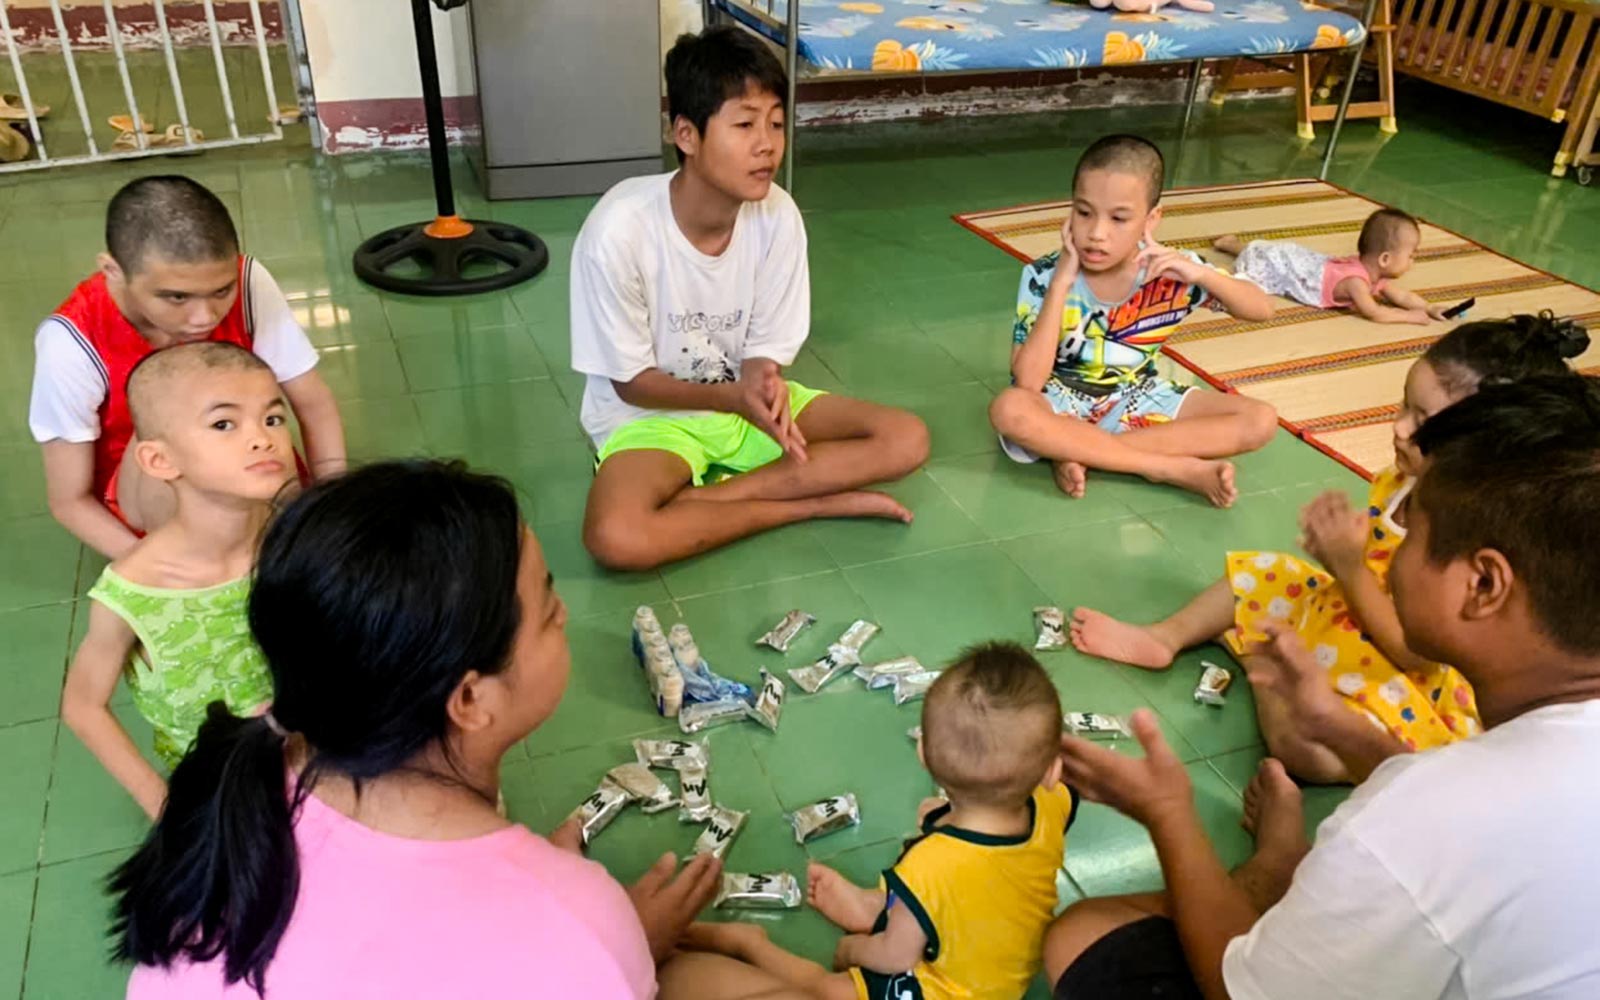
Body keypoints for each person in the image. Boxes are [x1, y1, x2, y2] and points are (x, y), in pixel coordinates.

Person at [109, 460, 771, 998]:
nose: (566, 611)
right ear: (470, 698)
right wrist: (622, 948)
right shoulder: (584, 927)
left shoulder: (254, 752)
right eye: (545, 606)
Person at [1043, 372, 1600, 1000]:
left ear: (1482, 586)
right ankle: (1277, 867)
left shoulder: (1416, 824)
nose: (1395, 545)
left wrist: (1168, 812)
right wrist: (1343, 730)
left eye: (1415, 532)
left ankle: (1268, 872)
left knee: (1081, 935)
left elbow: (1241, 991)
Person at [1069, 313, 1589, 783]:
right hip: (1346, 608)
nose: (1399, 426)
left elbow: (1417, 654)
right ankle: (1166, 637)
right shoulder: (1405, 479)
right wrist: (1342, 560)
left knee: (1309, 750)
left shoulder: (1473, 533)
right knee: (1263, 572)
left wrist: (1346, 564)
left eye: (1423, 420)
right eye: (1404, 405)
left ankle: (1264, 673)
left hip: (1403, 667)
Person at [571, 26, 929, 571]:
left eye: (777, 123)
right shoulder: (618, 229)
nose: (767, 144)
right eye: (744, 124)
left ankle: (706, 504)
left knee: (906, 437)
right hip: (650, 417)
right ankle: (805, 506)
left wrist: (760, 384)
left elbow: (764, 351)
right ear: (686, 135)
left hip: (743, 407)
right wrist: (735, 399)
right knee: (615, 538)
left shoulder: (777, 214)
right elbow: (629, 382)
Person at [680, 642, 1078, 1000]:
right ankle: (879, 908)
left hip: (945, 987)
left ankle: (752, 944)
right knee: (925, 894)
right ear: (1052, 770)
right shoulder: (1053, 801)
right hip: (997, 968)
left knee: (828, 989)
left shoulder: (930, 865)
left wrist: (853, 950)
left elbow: (893, 956)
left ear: (923, 755)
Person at [28, 175, 345, 560]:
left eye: (221, 291)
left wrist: (334, 517)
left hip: (251, 474)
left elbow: (313, 405)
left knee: (257, 414)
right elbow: (69, 501)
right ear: (113, 270)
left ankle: (272, 539)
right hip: (153, 495)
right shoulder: (70, 340)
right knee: (168, 409)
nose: (203, 317)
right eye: (176, 297)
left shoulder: (247, 280)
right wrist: (153, 569)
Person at [61, 343, 293, 819]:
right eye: (224, 424)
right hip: (218, 792)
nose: (262, 438)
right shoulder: (133, 593)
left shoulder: (299, 545)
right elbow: (84, 706)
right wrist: (163, 804)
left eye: (272, 419)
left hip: (320, 765)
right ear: (160, 460)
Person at [987, 135, 1277, 508]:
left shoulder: (1171, 269)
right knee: (1009, 409)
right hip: (1057, 404)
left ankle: (1076, 452)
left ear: (1151, 219)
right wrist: (1061, 282)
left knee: (1260, 420)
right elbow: (1028, 381)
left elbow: (1262, 308)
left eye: (1119, 218)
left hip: (1137, 399)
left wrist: (1202, 275)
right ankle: (1163, 468)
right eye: (1084, 212)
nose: (1096, 233)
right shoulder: (1044, 274)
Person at [1215, 207, 1446, 325]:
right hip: (1285, 267)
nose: (1413, 261)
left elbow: (1403, 297)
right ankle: (1233, 251)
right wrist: (1409, 318)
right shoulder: (1356, 282)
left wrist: (1429, 308)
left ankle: (1234, 245)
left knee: (1267, 253)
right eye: (1410, 255)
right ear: (1385, 259)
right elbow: (1374, 312)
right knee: (1254, 273)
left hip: (1299, 262)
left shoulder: (1375, 275)